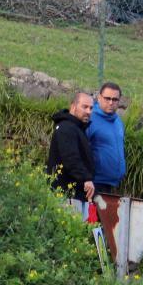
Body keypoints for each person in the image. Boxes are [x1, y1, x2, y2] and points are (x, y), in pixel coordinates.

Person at [45, 91, 96, 219]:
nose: (89, 111)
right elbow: (71, 158)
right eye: (84, 107)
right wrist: (86, 178)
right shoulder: (67, 128)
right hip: (65, 194)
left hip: (73, 194)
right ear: (73, 106)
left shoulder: (77, 128)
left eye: (91, 108)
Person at [86, 81, 125, 196]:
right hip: (94, 183)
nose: (111, 102)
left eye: (115, 99)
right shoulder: (89, 119)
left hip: (113, 183)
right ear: (99, 98)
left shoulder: (118, 121)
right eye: (107, 98)